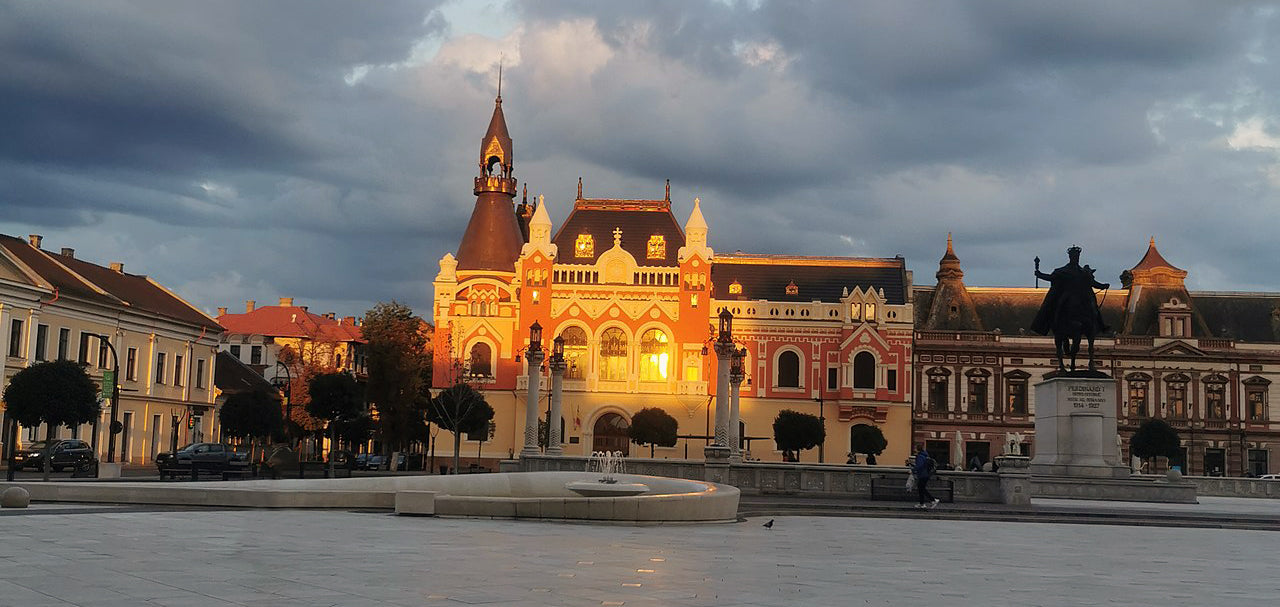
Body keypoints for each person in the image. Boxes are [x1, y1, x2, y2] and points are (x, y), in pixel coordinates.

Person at [913, 445, 940, 509]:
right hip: (926, 474)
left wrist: (913, 469)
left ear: (917, 449)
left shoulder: (920, 456)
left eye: (915, 448)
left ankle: (933, 500)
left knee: (921, 488)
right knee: (921, 489)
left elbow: (920, 466)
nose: (914, 449)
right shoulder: (924, 455)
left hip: (923, 475)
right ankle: (922, 503)